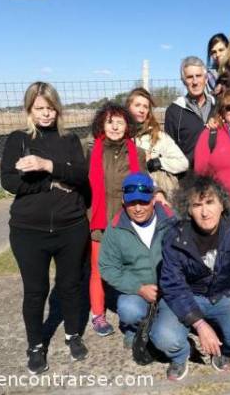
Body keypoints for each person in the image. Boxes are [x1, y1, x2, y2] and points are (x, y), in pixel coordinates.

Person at [0, 82, 89, 374]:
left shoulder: (71, 140)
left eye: (50, 107)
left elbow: (80, 175)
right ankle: (36, 345)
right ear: (29, 110)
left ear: (57, 108)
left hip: (71, 227)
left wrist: (47, 164)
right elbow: (11, 182)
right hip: (29, 231)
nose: (46, 113)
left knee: (71, 285)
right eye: (39, 108)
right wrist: (50, 182)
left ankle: (73, 334)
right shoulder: (18, 139)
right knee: (36, 290)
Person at [154, 174, 230, 381]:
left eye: (210, 202)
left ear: (222, 204)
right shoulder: (175, 237)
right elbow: (173, 285)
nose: (205, 212)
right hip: (188, 294)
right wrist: (200, 325)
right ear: (188, 210)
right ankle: (180, 355)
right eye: (197, 205)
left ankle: (224, 351)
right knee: (163, 338)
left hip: (227, 292)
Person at [87, 102, 146, 337]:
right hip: (99, 221)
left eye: (120, 122)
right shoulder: (91, 151)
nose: (114, 126)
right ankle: (98, 315)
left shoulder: (137, 154)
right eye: (110, 121)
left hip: (126, 221)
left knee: (129, 268)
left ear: (127, 126)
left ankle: (132, 312)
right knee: (97, 270)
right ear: (102, 123)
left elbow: (143, 184)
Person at [99, 172, 174, 348]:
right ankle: (133, 328)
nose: (138, 208)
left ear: (154, 199)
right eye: (132, 203)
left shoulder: (172, 220)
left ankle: (159, 322)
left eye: (143, 202)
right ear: (124, 202)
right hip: (136, 290)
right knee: (129, 310)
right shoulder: (115, 228)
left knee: (167, 339)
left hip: (170, 288)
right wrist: (138, 288)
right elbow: (107, 267)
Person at [126, 88, 188, 201]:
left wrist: (157, 162)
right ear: (128, 107)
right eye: (137, 105)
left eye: (145, 107)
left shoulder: (159, 137)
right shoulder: (119, 135)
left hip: (155, 196)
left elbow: (183, 163)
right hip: (128, 195)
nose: (142, 110)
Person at [164, 57, 216, 167]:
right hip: (188, 179)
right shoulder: (174, 111)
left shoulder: (218, 107)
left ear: (206, 79)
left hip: (217, 177)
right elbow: (168, 151)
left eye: (198, 76)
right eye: (189, 77)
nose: (195, 81)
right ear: (183, 82)